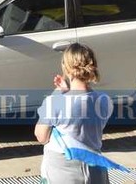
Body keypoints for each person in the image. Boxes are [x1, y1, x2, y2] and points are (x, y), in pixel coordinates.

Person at [35, 43, 113, 184]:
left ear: (66, 68)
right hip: (95, 171)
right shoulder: (105, 101)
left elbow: (41, 137)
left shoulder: (55, 101)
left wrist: (58, 92)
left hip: (62, 172)